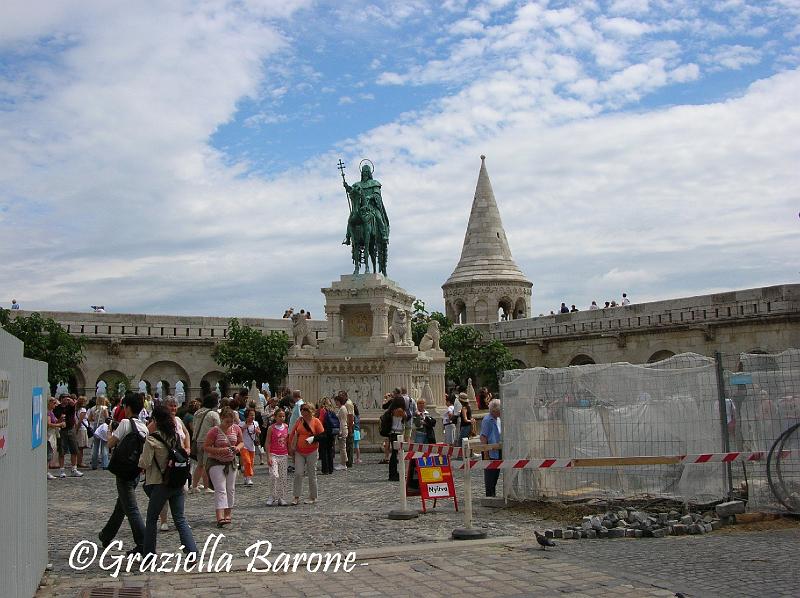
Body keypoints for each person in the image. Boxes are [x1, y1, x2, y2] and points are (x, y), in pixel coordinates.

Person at [139, 405, 197, 556]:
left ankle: (149, 554)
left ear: (155, 420)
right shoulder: (175, 437)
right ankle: (192, 553)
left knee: (151, 519)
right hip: (176, 481)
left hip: (159, 483)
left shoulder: (152, 439)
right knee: (180, 519)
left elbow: (144, 463)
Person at [99, 392, 147, 554]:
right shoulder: (143, 426)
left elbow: (110, 443)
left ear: (127, 408)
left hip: (123, 471)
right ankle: (106, 535)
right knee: (122, 506)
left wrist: (109, 431)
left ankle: (143, 544)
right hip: (135, 471)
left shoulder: (126, 423)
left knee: (131, 509)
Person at [204, 406, 244, 527]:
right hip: (216, 462)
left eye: (231, 422)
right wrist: (221, 450)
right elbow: (206, 447)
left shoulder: (236, 429)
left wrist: (237, 448)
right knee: (220, 488)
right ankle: (220, 516)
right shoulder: (214, 431)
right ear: (221, 419)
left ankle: (228, 513)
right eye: (227, 422)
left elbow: (241, 442)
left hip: (230, 462)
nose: (229, 424)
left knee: (230, 489)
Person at [288, 402, 324, 505]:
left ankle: (313, 496)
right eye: (302, 409)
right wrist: (291, 447)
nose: (303, 411)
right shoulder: (299, 420)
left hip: (312, 451)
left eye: (305, 409)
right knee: (298, 473)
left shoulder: (316, 421)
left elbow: (323, 435)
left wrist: (313, 438)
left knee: (312, 474)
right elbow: (293, 433)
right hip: (299, 451)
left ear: (311, 411)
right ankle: (296, 496)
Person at [190, 393, 220, 494]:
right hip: (208, 441)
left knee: (200, 464)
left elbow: (194, 426)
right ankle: (207, 487)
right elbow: (218, 428)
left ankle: (194, 485)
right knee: (207, 465)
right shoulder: (213, 414)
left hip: (197, 440)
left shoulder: (197, 413)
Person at [53, 394, 83, 477]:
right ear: (61, 399)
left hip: (71, 429)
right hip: (61, 430)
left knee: (74, 449)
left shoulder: (71, 407)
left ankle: (74, 469)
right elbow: (55, 420)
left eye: (68, 399)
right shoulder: (57, 408)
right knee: (62, 450)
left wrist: (70, 400)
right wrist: (60, 419)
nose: (67, 400)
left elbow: (75, 404)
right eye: (65, 399)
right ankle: (61, 470)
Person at [265, 408, 289, 506]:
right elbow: (267, 442)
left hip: (284, 454)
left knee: (283, 477)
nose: (282, 418)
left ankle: (281, 497)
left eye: (283, 416)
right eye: (279, 416)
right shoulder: (271, 428)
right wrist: (268, 456)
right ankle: (272, 495)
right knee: (274, 475)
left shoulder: (286, 427)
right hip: (273, 454)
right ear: (275, 417)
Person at [480, 399, 502, 497]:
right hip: (490, 450)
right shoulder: (487, 420)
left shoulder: (498, 419)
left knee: (496, 473)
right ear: (494, 411)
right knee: (490, 474)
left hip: (498, 449)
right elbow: (483, 437)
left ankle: (493, 493)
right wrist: (486, 453)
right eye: (499, 410)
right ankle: (490, 494)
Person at [386, 390, 408, 482]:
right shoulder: (400, 411)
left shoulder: (391, 410)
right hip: (397, 433)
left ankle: (393, 472)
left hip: (392, 432)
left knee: (394, 454)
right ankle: (393, 473)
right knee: (395, 454)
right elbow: (406, 417)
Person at [239, 408, 260, 486]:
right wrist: (244, 427)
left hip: (252, 446)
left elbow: (259, 431)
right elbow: (239, 434)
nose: (252, 417)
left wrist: (257, 432)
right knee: (247, 462)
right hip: (244, 446)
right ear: (246, 416)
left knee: (251, 463)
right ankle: (249, 478)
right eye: (251, 415)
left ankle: (246, 477)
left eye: (253, 415)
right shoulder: (241, 424)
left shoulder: (256, 423)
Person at [317, 397, 335, 475]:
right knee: (330, 450)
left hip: (324, 432)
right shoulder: (332, 410)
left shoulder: (322, 410)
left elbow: (320, 421)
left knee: (324, 451)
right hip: (332, 432)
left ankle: (325, 469)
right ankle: (331, 468)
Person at [46, 397, 63, 479]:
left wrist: (60, 420)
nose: (55, 405)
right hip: (49, 435)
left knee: (50, 453)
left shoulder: (51, 412)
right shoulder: (48, 413)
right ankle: (46, 471)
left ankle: (47, 470)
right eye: (54, 403)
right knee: (48, 453)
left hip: (53, 434)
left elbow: (55, 421)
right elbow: (49, 424)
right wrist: (59, 425)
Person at [340, 390, 356, 468]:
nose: (340, 398)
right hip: (347, 425)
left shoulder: (348, 404)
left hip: (349, 426)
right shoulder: (346, 403)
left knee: (349, 444)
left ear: (345, 396)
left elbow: (350, 416)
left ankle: (349, 462)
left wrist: (350, 428)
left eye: (341, 396)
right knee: (347, 444)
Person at [334, 395, 349, 471]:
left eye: (336, 401)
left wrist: (340, 431)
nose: (335, 403)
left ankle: (343, 463)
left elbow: (342, 421)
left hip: (342, 430)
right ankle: (343, 462)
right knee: (342, 447)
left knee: (342, 448)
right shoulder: (342, 408)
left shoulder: (342, 409)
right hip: (343, 429)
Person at [75, 396, 90, 467]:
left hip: (79, 428)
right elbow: (80, 421)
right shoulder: (83, 410)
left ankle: (78, 461)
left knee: (79, 446)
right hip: (82, 429)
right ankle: (80, 461)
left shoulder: (77, 409)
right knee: (81, 447)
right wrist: (77, 429)